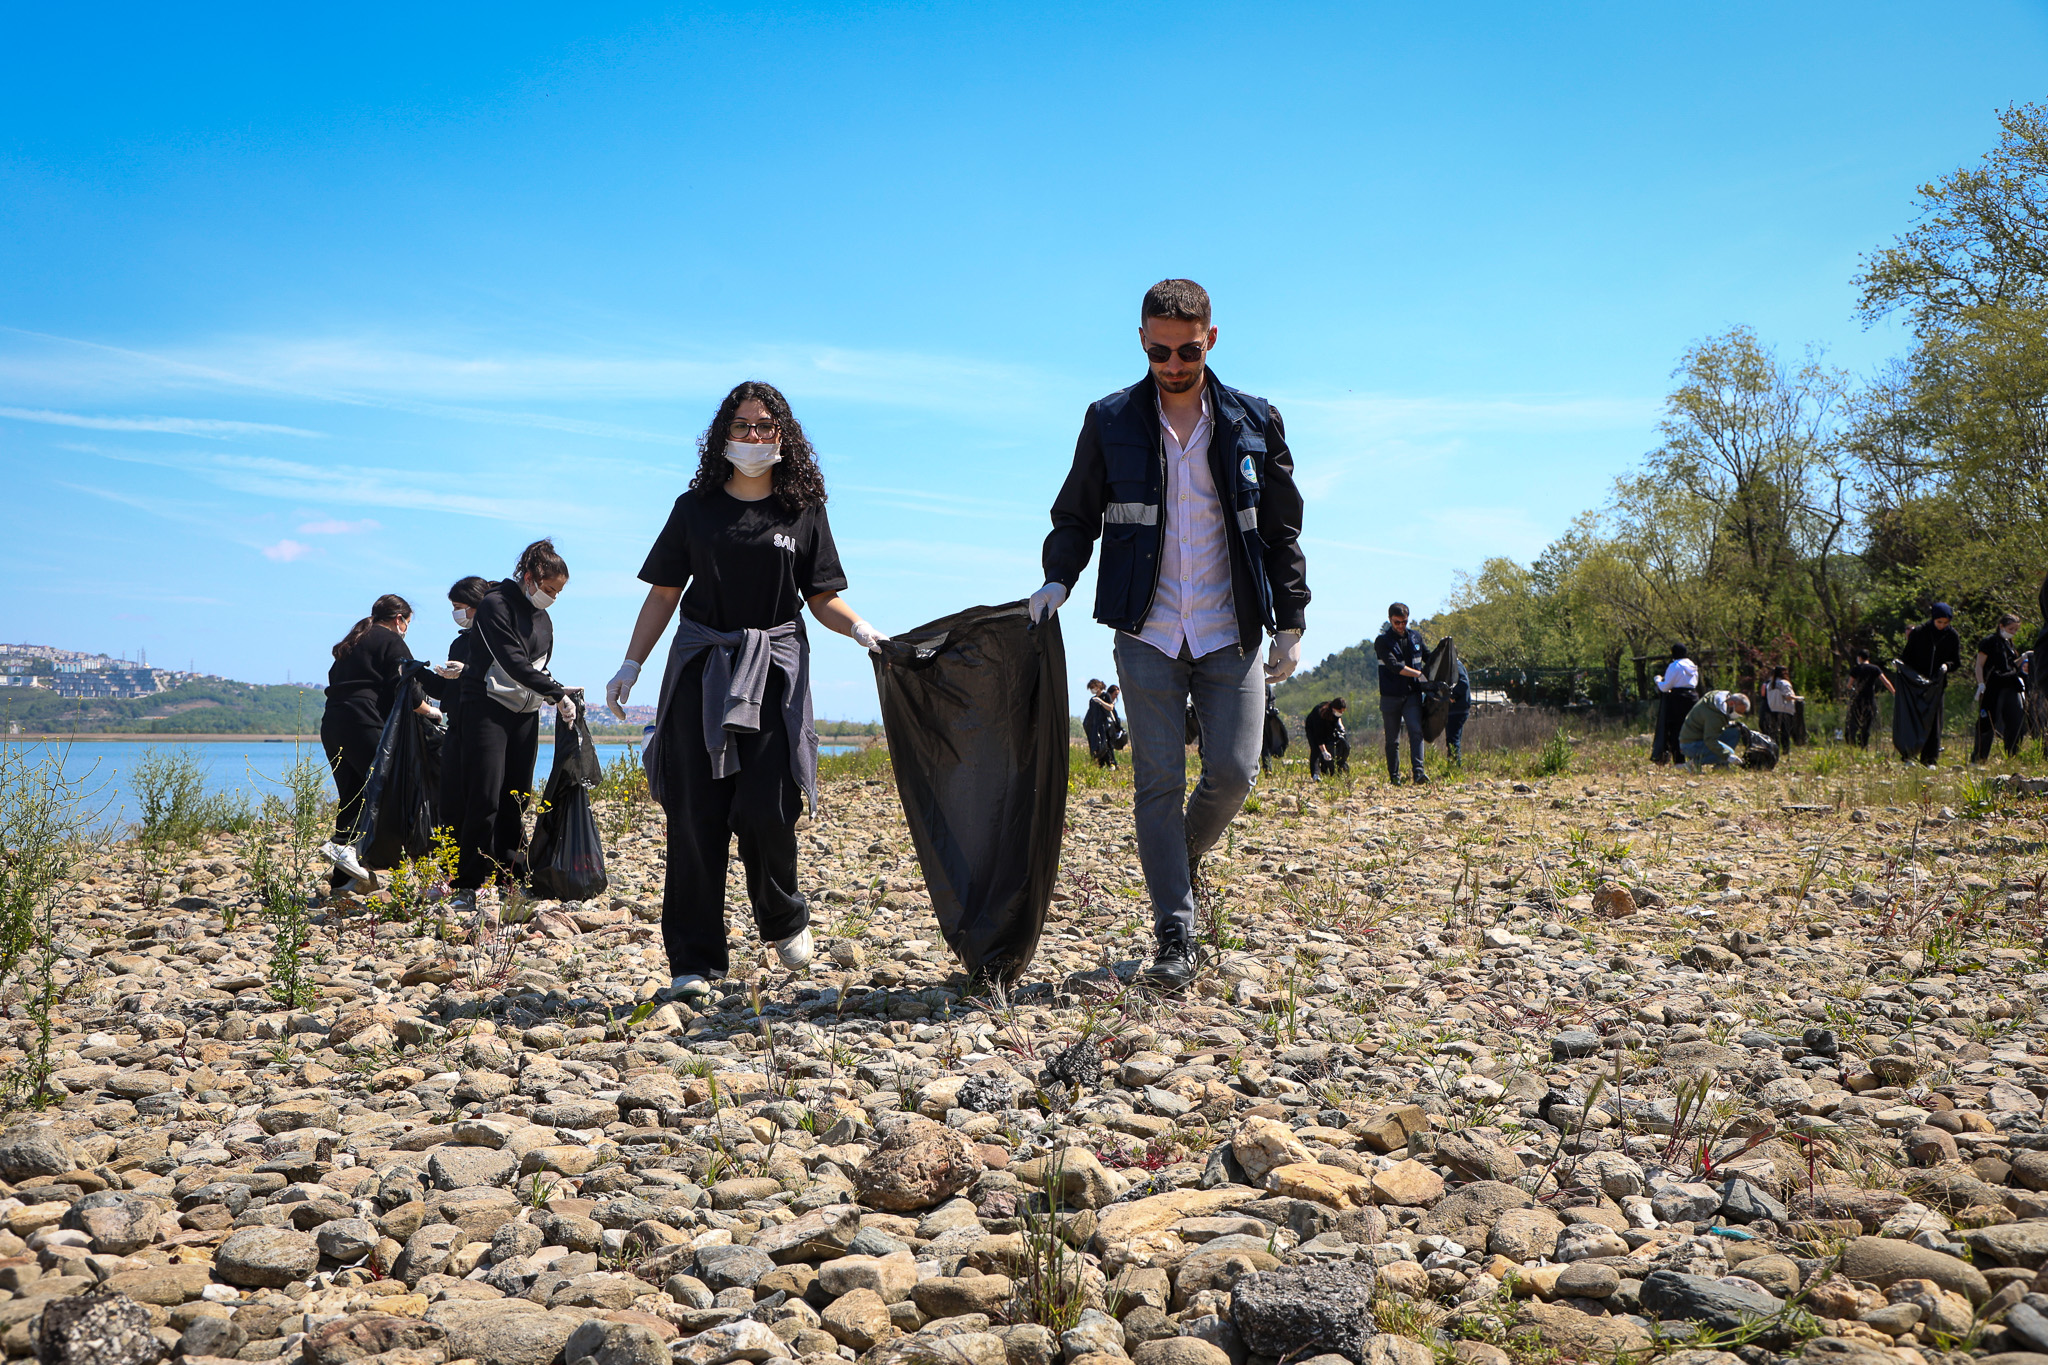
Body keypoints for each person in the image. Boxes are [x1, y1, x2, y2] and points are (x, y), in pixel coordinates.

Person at [1031, 278, 1308, 993]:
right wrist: (1058, 579)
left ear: (1211, 339)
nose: (1174, 364)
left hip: (1231, 628)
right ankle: (1174, 934)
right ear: (1143, 343)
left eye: (1187, 350)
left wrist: (1293, 620)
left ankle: (1172, 867)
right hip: (1146, 631)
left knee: (1235, 773)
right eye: (1160, 352)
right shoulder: (1111, 419)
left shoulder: (1255, 419)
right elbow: (1074, 515)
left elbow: (1281, 531)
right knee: (1157, 784)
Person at [605, 381, 886, 1006]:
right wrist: (630, 664)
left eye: (765, 425)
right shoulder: (694, 508)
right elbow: (662, 594)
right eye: (742, 425)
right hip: (700, 670)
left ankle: (784, 914)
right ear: (722, 435)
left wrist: (863, 629)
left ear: (783, 436)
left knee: (766, 808)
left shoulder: (804, 510)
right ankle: (694, 961)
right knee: (695, 819)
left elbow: (821, 599)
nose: (753, 436)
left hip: (774, 675)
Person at [451, 541, 575, 914]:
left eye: (558, 592)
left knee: (516, 797)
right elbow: (512, 661)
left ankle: (513, 880)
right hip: (487, 709)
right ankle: (467, 884)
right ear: (529, 577)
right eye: (549, 589)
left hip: (525, 713)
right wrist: (556, 695)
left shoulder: (544, 619)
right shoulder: (494, 604)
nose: (552, 597)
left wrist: (559, 691)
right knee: (485, 795)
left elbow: (538, 667)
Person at [319, 595, 438, 889]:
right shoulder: (391, 640)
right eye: (407, 623)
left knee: (354, 795)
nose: (406, 629)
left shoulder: (354, 642)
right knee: (390, 791)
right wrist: (431, 711)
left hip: (333, 724)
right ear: (399, 619)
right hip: (363, 722)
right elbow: (406, 689)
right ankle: (402, 867)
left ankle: (343, 878)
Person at [436, 576, 491, 840]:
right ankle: (452, 863)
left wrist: (466, 672)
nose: (456, 613)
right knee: (451, 799)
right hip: (456, 725)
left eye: (460, 606)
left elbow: (503, 678)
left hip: (483, 726)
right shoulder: (460, 642)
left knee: (481, 799)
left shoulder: (496, 637)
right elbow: (446, 691)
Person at [1897, 603, 1963, 765]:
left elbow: (1956, 661)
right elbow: (1907, 658)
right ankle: (1908, 755)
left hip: (1937, 685)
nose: (1942, 626)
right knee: (1914, 718)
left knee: (1934, 721)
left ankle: (1929, 759)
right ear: (1933, 619)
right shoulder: (1919, 633)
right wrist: (1903, 669)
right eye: (1939, 622)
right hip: (1916, 685)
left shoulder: (1952, 636)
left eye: (1945, 623)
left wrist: (1947, 666)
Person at [1375, 604, 1429, 784]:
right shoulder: (1382, 641)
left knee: (1416, 732)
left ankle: (1419, 773)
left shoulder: (1416, 637)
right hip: (1391, 696)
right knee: (1393, 740)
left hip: (1412, 694)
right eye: (1397, 622)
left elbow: (1430, 657)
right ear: (1390, 619)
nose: (1400, 626)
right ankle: (1394, 777)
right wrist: (1418, 674)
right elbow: (1394, 666)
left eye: (1404, 622)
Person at [1973, 612, 2027, 762]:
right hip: (1993, 686)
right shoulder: (1989, 642)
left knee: (2015, 721)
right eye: (2011, 629)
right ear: (2001, 626)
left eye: (2016, 630)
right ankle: (1979, 757)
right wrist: (1980, 683)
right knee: (1987, 722)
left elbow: (2010, 666)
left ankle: (2012, 755)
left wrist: (2022, 658)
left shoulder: (2009, 644)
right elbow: (1979, 665)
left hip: (2011, 684)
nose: (2013, 632)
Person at [1678, 690, 1753, 769]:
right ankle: (1692, 764)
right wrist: (1727, 756)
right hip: (1690, 744)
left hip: (1700, 737)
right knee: (1728, 752)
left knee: (1734, 731)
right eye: (1738, 712)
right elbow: (1710, 740)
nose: (1738, 715)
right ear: (1731, 704)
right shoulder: (1715, 714)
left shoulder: (1719, 699)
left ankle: (1721, 766)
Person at [1651, 644, 1699, 765]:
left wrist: (1657, 680)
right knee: (1692, 728)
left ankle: (1679, 761)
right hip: (1693, 698)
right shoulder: (1692, 666)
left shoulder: (1675, 666)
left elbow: (1665, 687)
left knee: (1675, 729)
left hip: (1678, 699)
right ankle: (1695, 758)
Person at [1843, 649, 1893, 748]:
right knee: (1867, 724)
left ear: (1860, 657)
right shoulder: (1875, 669)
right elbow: (1885, 682)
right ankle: (1864, 745)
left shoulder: (1856, 669)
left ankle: (1853, 744)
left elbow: (1849, 685)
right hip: (1870, 699)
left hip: (1858, 699)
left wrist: (1853, 689)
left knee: (1855, 722)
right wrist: (1894, 692)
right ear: (1868, 658)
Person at [1304, 697, 1349, 778]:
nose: (1341, 713)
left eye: (1343, 711)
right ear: (1334, 708)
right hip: (1313, 728)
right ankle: (1315, 774)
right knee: (1316, 749)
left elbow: (1337, 721)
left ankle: (1329, 770)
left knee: (1331, 744)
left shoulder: (1335, 713)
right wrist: (1324, 751)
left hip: (1327, 725)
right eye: (1339, 711)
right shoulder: (1319, 713)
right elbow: (1319, 736)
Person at [1762, 667, 1802, 749]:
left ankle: (1775, 747)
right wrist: (1798, 698)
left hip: (1773, 709)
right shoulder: (1784, 683)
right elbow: (1788, 696)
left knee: (1774, 730)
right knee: (1785, 730)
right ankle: (1785, 748)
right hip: (1785, 710)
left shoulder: (1770, 684)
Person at [1083, 679, 1118, 768]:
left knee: (1106, 745)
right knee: (1097, 745)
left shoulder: (1105, 696)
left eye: (1093, 688)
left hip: (1105, 725)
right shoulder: (1092, 700)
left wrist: (1101, 702)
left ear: (1098, 687)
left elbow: (1110, 707)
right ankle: (1100, 764)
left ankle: (1111, 763)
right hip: (1096, 726)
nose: (1092, 690)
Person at [1445, 660, 1472, 761]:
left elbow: (1463, 683)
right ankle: (1454, 765)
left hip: (1457, 708)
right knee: (1452, 738)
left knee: (1452, 739)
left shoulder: (1455, 665)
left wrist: (1452, 696)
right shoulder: (1455, 665)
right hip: (1458, 708)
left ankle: (1455, 766)